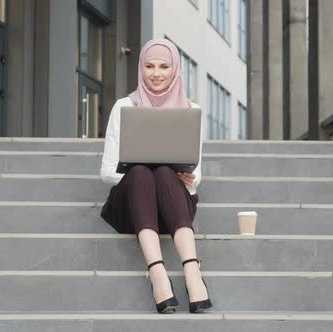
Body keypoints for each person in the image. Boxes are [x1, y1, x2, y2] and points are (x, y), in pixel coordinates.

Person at [100, 39, 213, 314]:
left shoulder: (190, 109)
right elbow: (106, 171)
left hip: (171, 206)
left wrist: (187, 177)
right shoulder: (124, 106)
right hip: (132, 206)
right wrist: (141, 169)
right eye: (149, 66)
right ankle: (157, 272)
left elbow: (196, 173)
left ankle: (192, 271)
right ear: (141, 68)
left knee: (164, 172)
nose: (156, 73)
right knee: (141, 172)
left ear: (175, 70)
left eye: (164, 66)